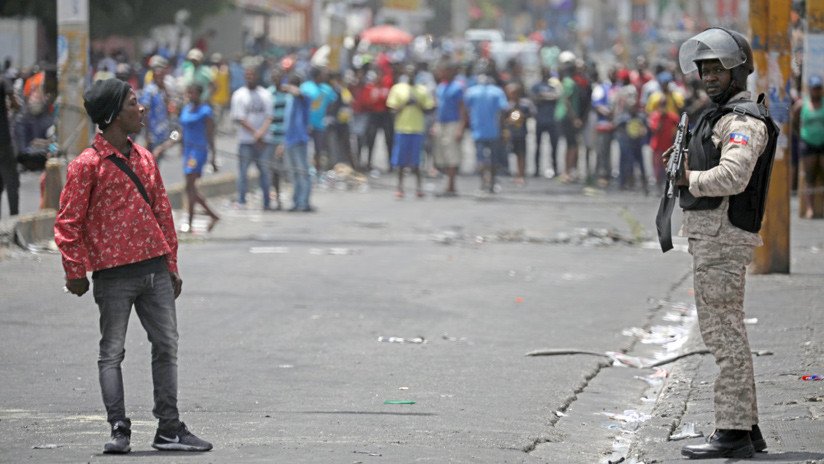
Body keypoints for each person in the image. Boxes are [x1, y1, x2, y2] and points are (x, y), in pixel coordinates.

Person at [54, 78, 212, 454]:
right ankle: (119, 429)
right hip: (113, 277)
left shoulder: (145, 159)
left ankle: (169, 428)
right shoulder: (86, 166)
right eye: (133, 104)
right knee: (112, 352)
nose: (141, 110)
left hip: (155, 270)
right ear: (111, 115)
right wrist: (74, 271)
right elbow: (67, 222)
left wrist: (171, 263)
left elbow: (162, 213)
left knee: (166, 346)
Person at [666, 28, 778, 459]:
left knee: (723, 335)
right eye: (704, 69)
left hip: (722, 238)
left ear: (739, 70)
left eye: (718, 68)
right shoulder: (721, 117)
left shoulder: (743, 121)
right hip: (713, 238)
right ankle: (747, 429)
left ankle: (731, 432)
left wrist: (687, 178)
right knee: (726, 331)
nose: (709, 76)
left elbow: (734, 176)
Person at [386, 64, 435, 198]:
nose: (411, 75)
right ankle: (400, 187)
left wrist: (418, 104)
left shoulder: (422, 90)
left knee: (416, 161)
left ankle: (419, 188)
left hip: (417, 129)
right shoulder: (398, 89)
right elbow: (392, 109)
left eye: (413, 73)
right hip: (402, 128)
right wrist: (404, 104)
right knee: (400, 162)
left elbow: (429, 109)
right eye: (409, 73)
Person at [176, 83, 220, 232]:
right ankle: (212, 215)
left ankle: (190, 221)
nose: (190, 96)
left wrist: (213, 157)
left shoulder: (205, 111)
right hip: (188, 151)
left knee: (189, 185)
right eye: (189, 93)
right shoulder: (185, 110)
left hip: (198, 151)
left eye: (193, 93)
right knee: (190, 187)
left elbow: (211, 135)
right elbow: (181, 131)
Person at [230, 66, 275, 210]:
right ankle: (242, 200)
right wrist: (255, 133)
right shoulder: (239, 95)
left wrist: (261, 134)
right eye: (247, 75)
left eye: (252, 74)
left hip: (263, 141)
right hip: (246, 140)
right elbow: (239, 118)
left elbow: (269, 116)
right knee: (243, 172)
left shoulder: (265, 94)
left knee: (265, 173)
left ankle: (267, 201)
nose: (250, 77)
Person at [464, 70, 509, 193]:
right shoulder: (497, 92)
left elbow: (465, 108)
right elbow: (504, 109)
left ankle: (483, 182)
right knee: (494, 159)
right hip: (494, 130)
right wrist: (504, 127)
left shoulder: (471, 92)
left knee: (480, 159)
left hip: (478, 130)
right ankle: (492, 182)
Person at [281, 73, 315, 212]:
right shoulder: (289, 99)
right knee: (293, 173)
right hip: (289, 140)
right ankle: (296, 201)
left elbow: (298, 93)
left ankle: (304, 202)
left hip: (299, 139)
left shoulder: (303, 97)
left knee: (302, 172)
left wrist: (289, 87)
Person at [433, 61, 465, 196]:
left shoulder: (457, 88)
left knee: (452, 155)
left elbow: (462, 109)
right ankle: (446, 184)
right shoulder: (440, 87)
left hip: (453, 123)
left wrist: (460, 127)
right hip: (441, 123)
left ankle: (451, 186)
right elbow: (437, 108)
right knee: (442, 155)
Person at [794, 75, 824, 219]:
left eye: (819, 88)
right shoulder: (802, 105)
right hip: (808, 143)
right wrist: (800, 136)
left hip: (823, 143)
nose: (816, 91)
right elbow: (794, 120)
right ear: (810, 89)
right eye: (814, 88)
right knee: (810, 177)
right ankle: (810, 208)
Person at [530, 67, 561, 177]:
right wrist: (545, 97)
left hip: (552, 120)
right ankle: (536, 169)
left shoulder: (554, 86)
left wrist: (545, 96)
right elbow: (534, 99)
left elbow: (557, 97)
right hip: (540, 119)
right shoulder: (536, 86)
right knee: (537, 145)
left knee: (554, 146)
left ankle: (555, 168)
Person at [502, 82, 535, 185]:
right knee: (509, 153)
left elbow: (532, 113)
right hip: (509, 133)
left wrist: (521, 116)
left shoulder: (525, 103)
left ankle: (521, 175)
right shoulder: (505, 104)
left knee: (521, 154)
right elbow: (501, 118)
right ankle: (509, 172)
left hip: (520, 133)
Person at [0, 74, 20, 218]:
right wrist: (12, 105)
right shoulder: (3, 81)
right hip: (3, 141)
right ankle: (14, 218)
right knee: (12, 181)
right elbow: (15, 103)